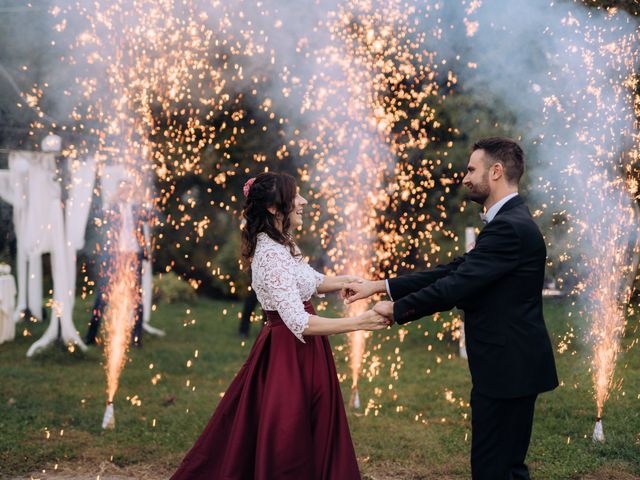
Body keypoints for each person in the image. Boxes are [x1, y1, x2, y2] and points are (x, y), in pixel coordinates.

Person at [344, 137, 559, 480]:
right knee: (503, 466)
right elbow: (453, 270)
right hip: (508, 364)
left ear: (497, 171)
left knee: (494, 468)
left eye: (472, 169)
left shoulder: (510, 228)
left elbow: (454, 287)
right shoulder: (510, 222)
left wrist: (395, 310)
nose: (465, 177)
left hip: (508, 367)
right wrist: (379, 285)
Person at [171, 172, 390, 480]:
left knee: (313, 426)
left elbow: (311, 280)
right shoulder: (269, 256)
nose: (303, 201)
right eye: (295, 196)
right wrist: (359, 322)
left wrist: (352, 281)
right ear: (275, 209)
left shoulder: (283, 244)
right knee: (289, 434)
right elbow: (299, 323)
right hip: (287, 355)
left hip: (308, 351)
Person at [85, 179, 147, 347]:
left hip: (133, 255)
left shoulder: (137, 208)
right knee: (103, 296)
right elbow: (99, 219)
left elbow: (151, 217)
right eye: (123, 189)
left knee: (136, 298)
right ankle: (91, 336)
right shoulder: (110, 208)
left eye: (129, 189)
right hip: (114, 256)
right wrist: (113, 201)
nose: (127, 193)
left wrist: (141, 199)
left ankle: (136, 338)